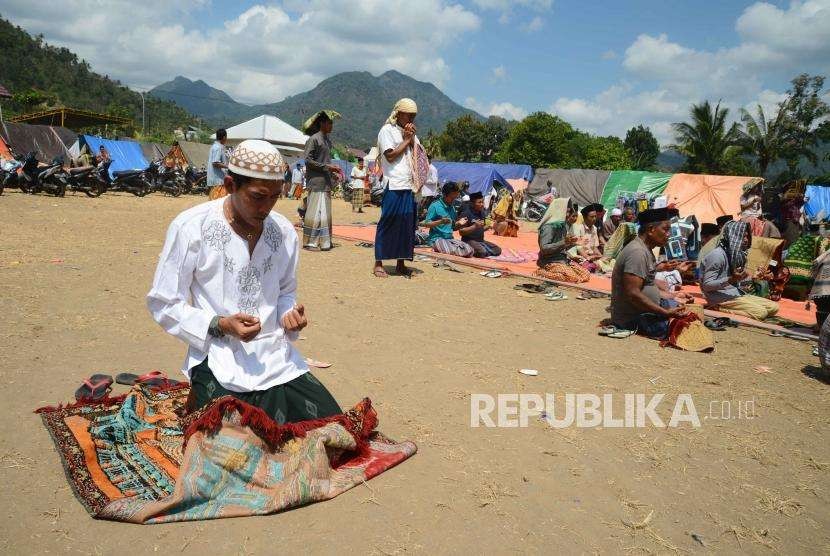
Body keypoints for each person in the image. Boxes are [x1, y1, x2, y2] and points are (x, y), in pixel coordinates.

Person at [146, 139, 342, 422]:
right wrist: (220, 324)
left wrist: (289, 313)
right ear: (229, 185)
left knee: (334, 429)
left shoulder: (284, 232)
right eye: (258, 196)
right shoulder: (191, 227)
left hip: (274, 357)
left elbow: (286, 291)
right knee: (231, 447)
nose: (267, 207)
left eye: (275, 196)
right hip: (218, 354)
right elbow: (163, 303)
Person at [610, 208, 689, 338]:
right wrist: (665, 312)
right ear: (651, 230)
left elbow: (647, 282)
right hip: (634, 318)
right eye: (665, 229)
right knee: (684, 330)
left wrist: (673, 295)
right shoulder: (638, 252)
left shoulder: (645, 250)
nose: (669, 234)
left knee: (686, 313)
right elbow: (633, 294)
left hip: (645, 312)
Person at [373, 98, 422, 278]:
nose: (411, 118)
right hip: (393, 184)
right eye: (408, 114)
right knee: (388, 222)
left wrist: (411, 139)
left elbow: (419, 157)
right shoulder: (387, 130)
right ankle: (378, 263)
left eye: (413, 115)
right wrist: (407, 140)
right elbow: (391, 156)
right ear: (398, 113)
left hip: (409, 186)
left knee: (406, 225)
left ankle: (400, 263)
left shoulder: (411, 134)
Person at [699, 220, 779, 321]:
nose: (746, 240)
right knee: (761, 313)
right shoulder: (717, 255)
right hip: (718, 297)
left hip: (734, 293)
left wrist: (757, 277)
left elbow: (739, 280)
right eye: (742, 236)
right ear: (733, 236)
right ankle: (718, 308)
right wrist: (730, 280)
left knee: (774, 307)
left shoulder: (737, 255)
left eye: (747, 236)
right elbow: (707, 286)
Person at [301, 110, 342, 251]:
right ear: (322, 123)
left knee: (324, 212)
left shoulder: (326, 140)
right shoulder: (314, 139)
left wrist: (332, 173)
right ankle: (310, 242)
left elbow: (325, 161)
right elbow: (307, 160)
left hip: (325, 182)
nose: (332, 125)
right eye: (330, 123)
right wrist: (327, 167)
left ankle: (324, 242)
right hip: (316, 182)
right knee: (315, 212)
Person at [534, 197, 591, 283]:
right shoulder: (548, 227)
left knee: (586, 274)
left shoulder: (561, 226)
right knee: (572, 278)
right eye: (567, 211)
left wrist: (574, 243)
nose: (568, 214)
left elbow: (562, 247)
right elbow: (544, 249)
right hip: (549, 261)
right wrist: (564, 242)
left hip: (562, 260)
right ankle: (541, 272)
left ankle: (560, 272)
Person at [423, 182, 473, 257]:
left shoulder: (452, 208)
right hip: (437, 239)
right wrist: (440, 221)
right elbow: (426, 224)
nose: (453, 200)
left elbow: (452, 227)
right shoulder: (435, 206)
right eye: (452, 198)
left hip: (449, 239)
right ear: (444, 195)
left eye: (455, 198)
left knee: (470, 250)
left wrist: (460, 224)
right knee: (456, 250)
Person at [459, 191, 502, 257]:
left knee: (498, 250)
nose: (482, 204)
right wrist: (474, 226)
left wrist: (487, 227)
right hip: (469, 241)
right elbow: (461, 232)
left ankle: (484, 251)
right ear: (472, 204)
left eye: (482, 202)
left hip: (480, 241)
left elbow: (479, 229)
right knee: (482, 252)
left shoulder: (482, 213)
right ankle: (471, 250)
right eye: (479, 202)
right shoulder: (466, 214)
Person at [207, 129, 229, 199]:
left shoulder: (214, 146)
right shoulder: (218, 147)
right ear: (224, 137)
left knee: (214, 202)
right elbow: (215, 163)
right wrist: (228, 166)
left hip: (216, 180)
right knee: (218, 203)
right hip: (218, 181)